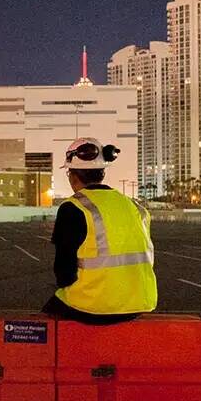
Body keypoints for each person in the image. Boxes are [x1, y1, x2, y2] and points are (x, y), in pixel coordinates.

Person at [42, 137, 157, 323]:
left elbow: (64, 273)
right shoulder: (135, 207)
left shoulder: (74, 207)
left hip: (95, 306)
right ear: (102, 173)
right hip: (140, 302)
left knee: (49, 314)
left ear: (72, 175)